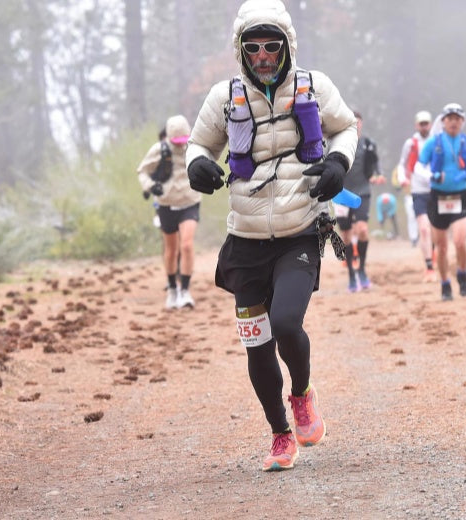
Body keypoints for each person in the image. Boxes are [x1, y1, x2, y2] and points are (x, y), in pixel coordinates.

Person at [185, 0, 357, 472]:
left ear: (287, 46)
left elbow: (346, 128)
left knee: (284, 323)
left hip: (299, 232)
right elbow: (199, 144)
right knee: (256, 343)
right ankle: (280, 434)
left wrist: (338, 163)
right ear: (241, 49)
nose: (263, 55)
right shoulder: (224, 97)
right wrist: (196, 164)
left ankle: (301, 394)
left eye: (271, 46)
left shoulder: (314, 86)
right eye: (253, 46)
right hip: (244, 241)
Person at [414, 103, 466, 301]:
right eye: (450, 119)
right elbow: (419, 167)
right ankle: (445, 284)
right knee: (442, 246)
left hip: (461, 196)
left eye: (457, 119)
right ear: (443, 121)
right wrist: (432, 176)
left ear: (463, 122)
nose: (453, 122)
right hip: (438, 198)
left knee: (460, 241)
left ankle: (462, 274)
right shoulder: (433, 143)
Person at [136, 115, 200, 309]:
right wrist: (150, 186)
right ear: (169, 137)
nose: (181, 144)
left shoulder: (195, 146)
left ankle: (185, 291)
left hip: (190, 202)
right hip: (166, 204)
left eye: (184, 140)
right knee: (171, 250)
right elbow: (142, 171)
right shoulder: (159, 150)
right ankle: (172, 289)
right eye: (177, 140)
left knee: (186, 245)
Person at [339, 111, 383, 292]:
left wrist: (377, 175)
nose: (356, 125)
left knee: (362, 229)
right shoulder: (339, 143)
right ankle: (351, 275)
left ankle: (362, 270)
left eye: (358, 122)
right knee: (347, 236)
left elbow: (375, 164)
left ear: (361, 124)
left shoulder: (368, 144)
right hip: (342, 194)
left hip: (363, 192)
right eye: (352, 122)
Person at [397, 110, 436, 281]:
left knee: (435, 229)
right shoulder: (411, 143)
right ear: (416, 125)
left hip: (436, 189)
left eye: (426, 123)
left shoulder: (436, 141)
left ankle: (433, 255)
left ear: (431, 124)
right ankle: (429, 266)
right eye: (421, 124)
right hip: (418, 190)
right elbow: (402, 164)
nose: (424, 127)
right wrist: (402, 178)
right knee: (424, 229)